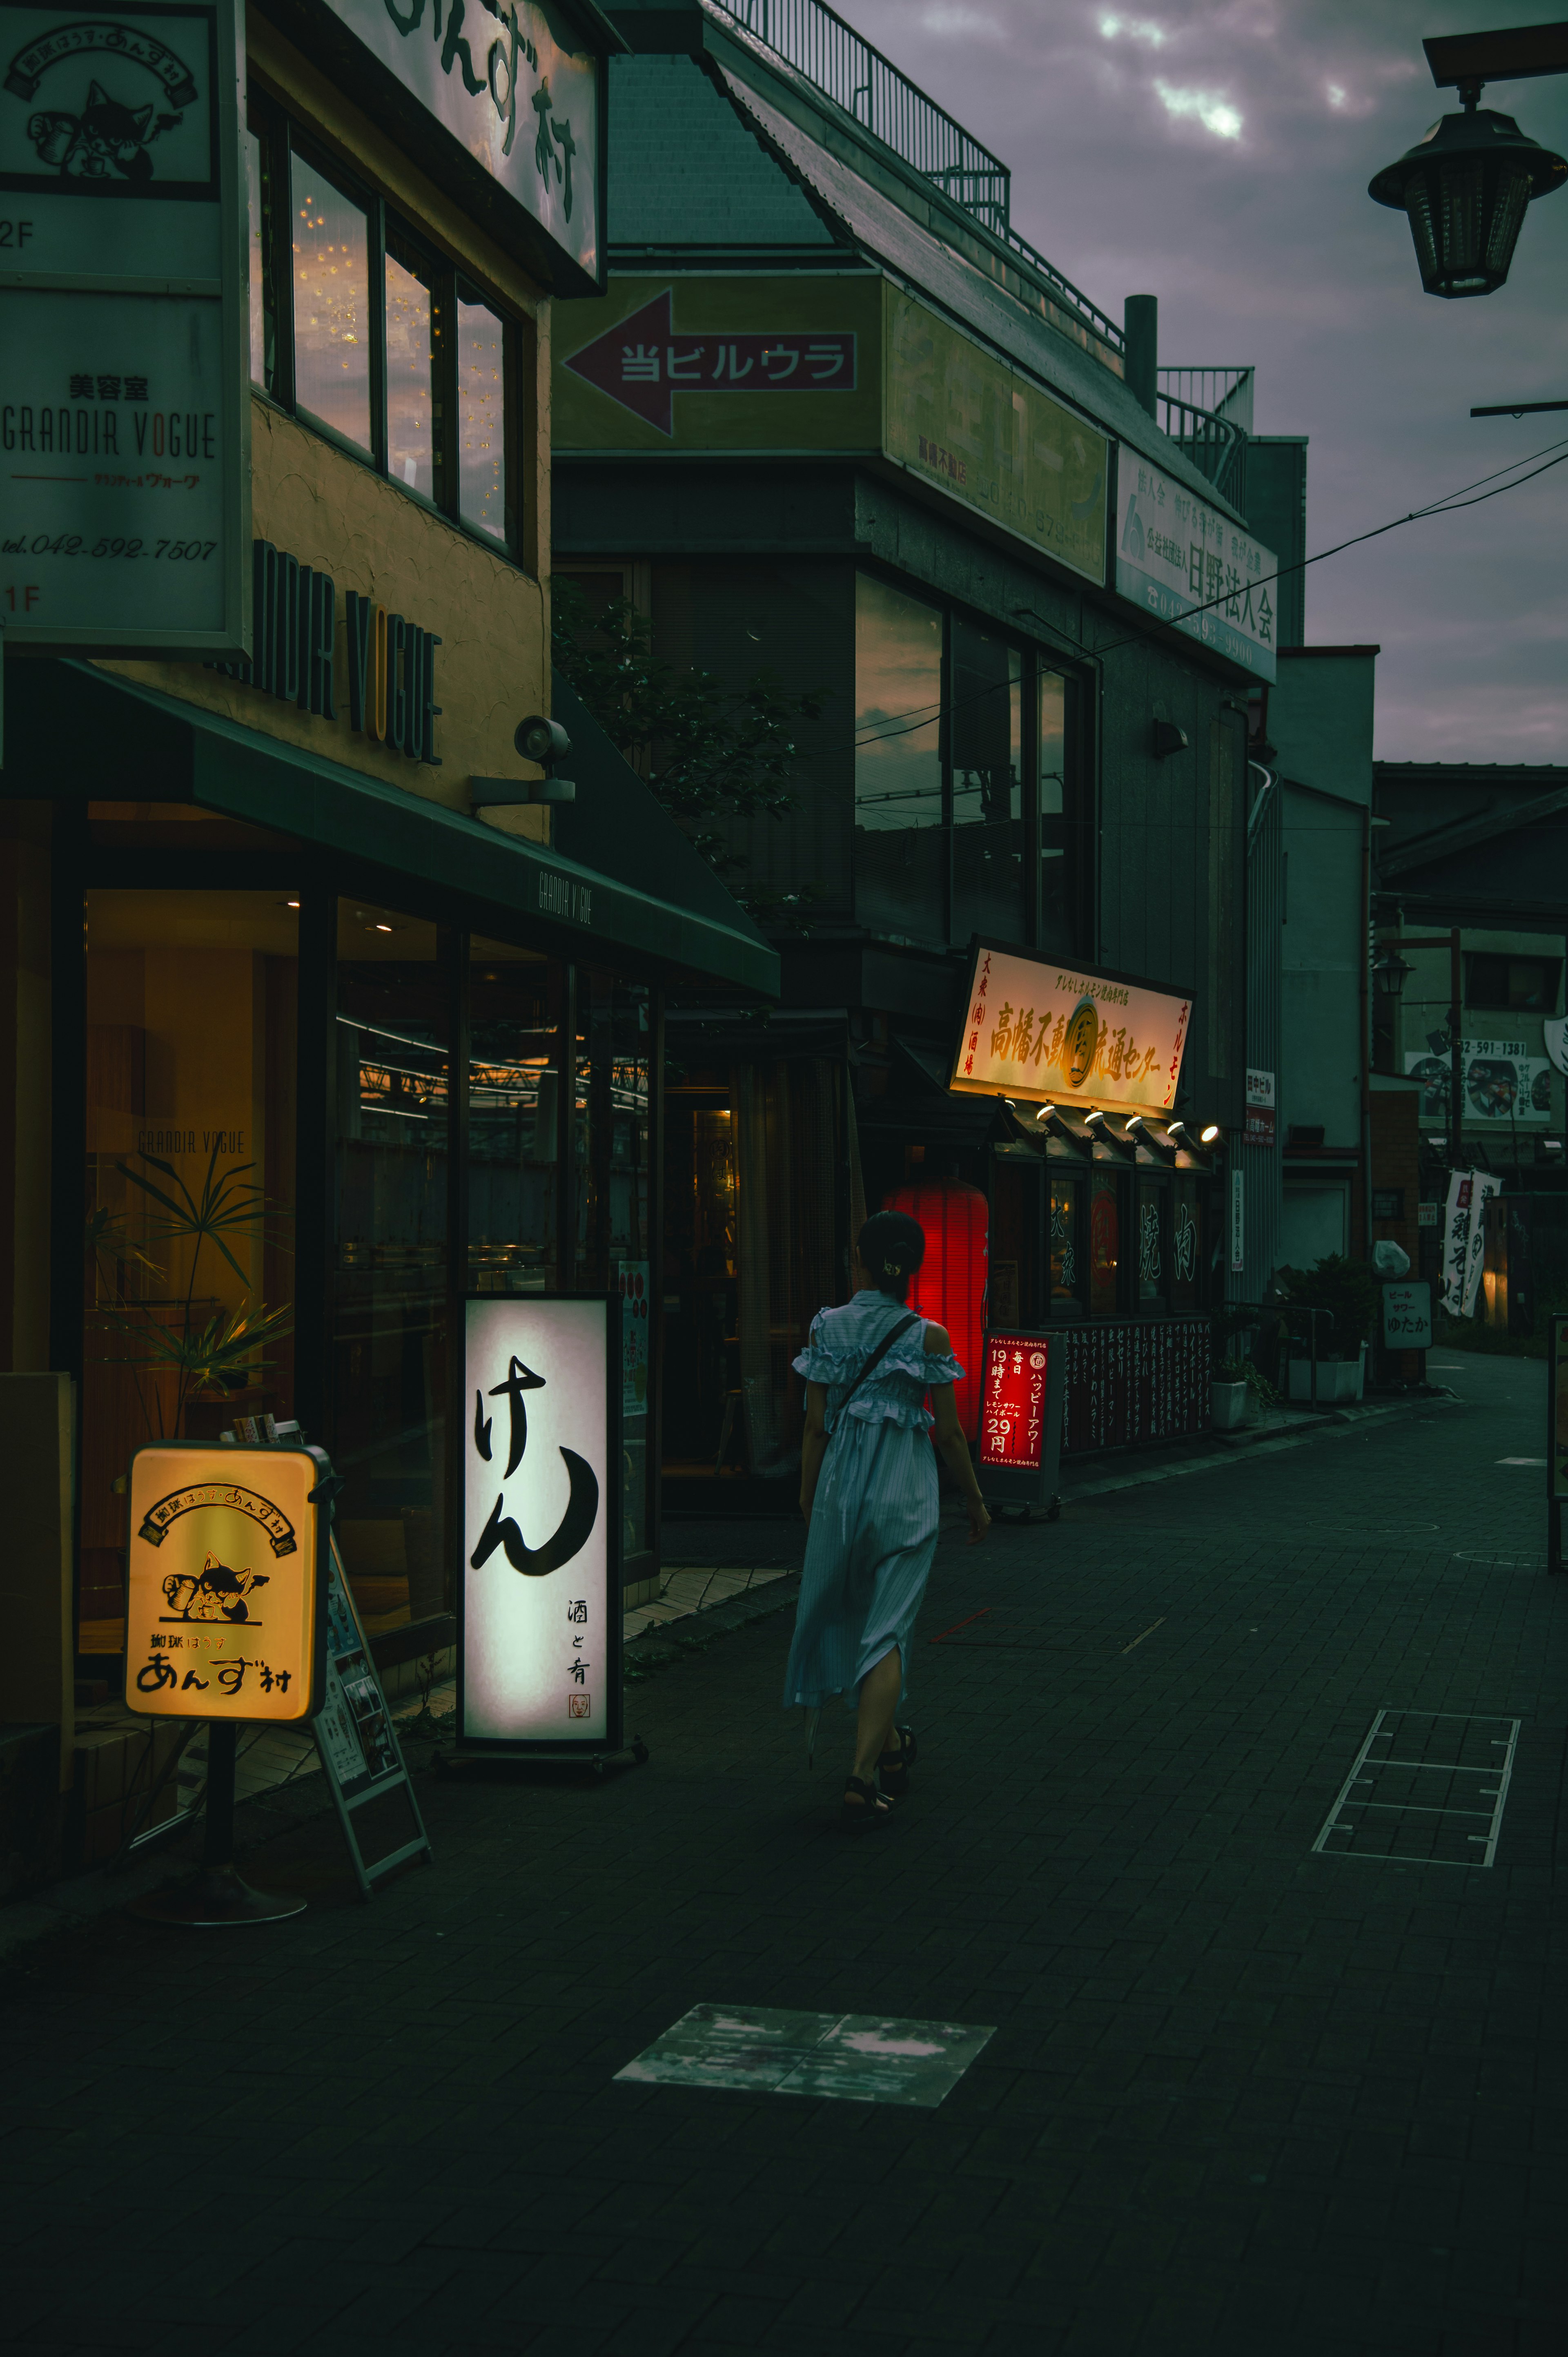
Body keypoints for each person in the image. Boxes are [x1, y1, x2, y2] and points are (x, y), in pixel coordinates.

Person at [783, 1209, 991, 1831]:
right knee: (889, 1630)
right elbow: (951, 1434)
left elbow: (816, 1424)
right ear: (915, 1267)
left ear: (861, 1260)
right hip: (906, 1492)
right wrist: (976, 1501)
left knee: (847, 1612)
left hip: (842, 1491)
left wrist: (806, 1492)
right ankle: (865, 1771)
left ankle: (888, 1746)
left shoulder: (828, 1328)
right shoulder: (929, 1337)